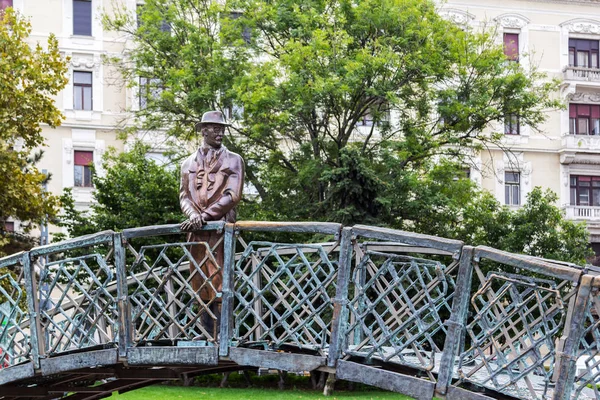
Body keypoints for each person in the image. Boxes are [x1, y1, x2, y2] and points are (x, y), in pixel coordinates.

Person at [179, 110, 244, 339]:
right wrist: (192, 216)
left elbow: (232, 195)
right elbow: (184, 196)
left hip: (219, 229)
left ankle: (223, 334)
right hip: (196, 232)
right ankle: (206, 332)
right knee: (198, 280)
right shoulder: (187, 163)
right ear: (203, 130)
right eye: (216, 128)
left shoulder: (234, 160)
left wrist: (204, 216)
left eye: (222, 129)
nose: (220, 133)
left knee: (219, 279)